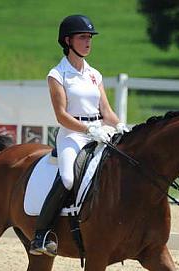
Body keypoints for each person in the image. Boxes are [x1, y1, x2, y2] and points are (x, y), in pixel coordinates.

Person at [29, 14, 128, 256]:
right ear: (67, 41)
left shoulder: (95, 74)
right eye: (83, 37)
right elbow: (61, 115)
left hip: (100, 133)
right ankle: (41, 235)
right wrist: (88, 129)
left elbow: (106, 111)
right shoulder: (57, 74)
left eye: (90, 38)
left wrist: (122, 126)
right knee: (68, 179)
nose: (88, 42)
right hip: (72, 135)